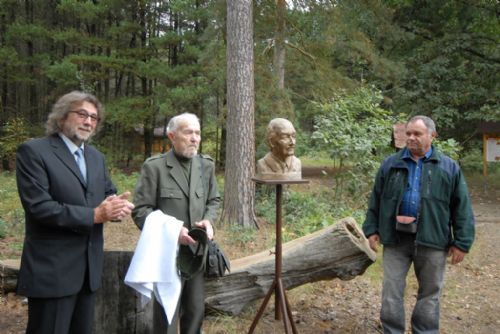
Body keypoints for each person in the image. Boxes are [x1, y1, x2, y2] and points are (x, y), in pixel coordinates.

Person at [15, 91, 134, 334]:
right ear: (61, 116)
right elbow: (39, 207)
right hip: (52, 274)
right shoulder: (34, 151)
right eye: (82, 114)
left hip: (88, 274)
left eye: (94, 117)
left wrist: (117, 206)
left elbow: (107, 193)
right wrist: (95, 216)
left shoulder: (95, 157)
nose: (88, 121)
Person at [362, 115, 475, 334]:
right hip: (396, 239)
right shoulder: (390, 164)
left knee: (430, 293)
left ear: (432, 136)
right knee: (391, 291)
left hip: (433, 240)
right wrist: (371, 229)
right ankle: (392, 331)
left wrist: (462, 242)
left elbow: (461, 206)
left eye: (417, 134)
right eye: (408, 133)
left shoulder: (449, 167)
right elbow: (375, 199)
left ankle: (424, 331)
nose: (411, 138)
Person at [132, 112, 220, 334]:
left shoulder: (205, 166)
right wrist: (172, 231)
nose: (195, 138)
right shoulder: (155, 167)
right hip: (165, 254)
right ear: (172, 136)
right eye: (188, 132)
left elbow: (213, 200)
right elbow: (141, 211)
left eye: (198, 133)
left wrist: (209, 220)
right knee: (165, 317)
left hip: (196, 253)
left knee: (195, 311)